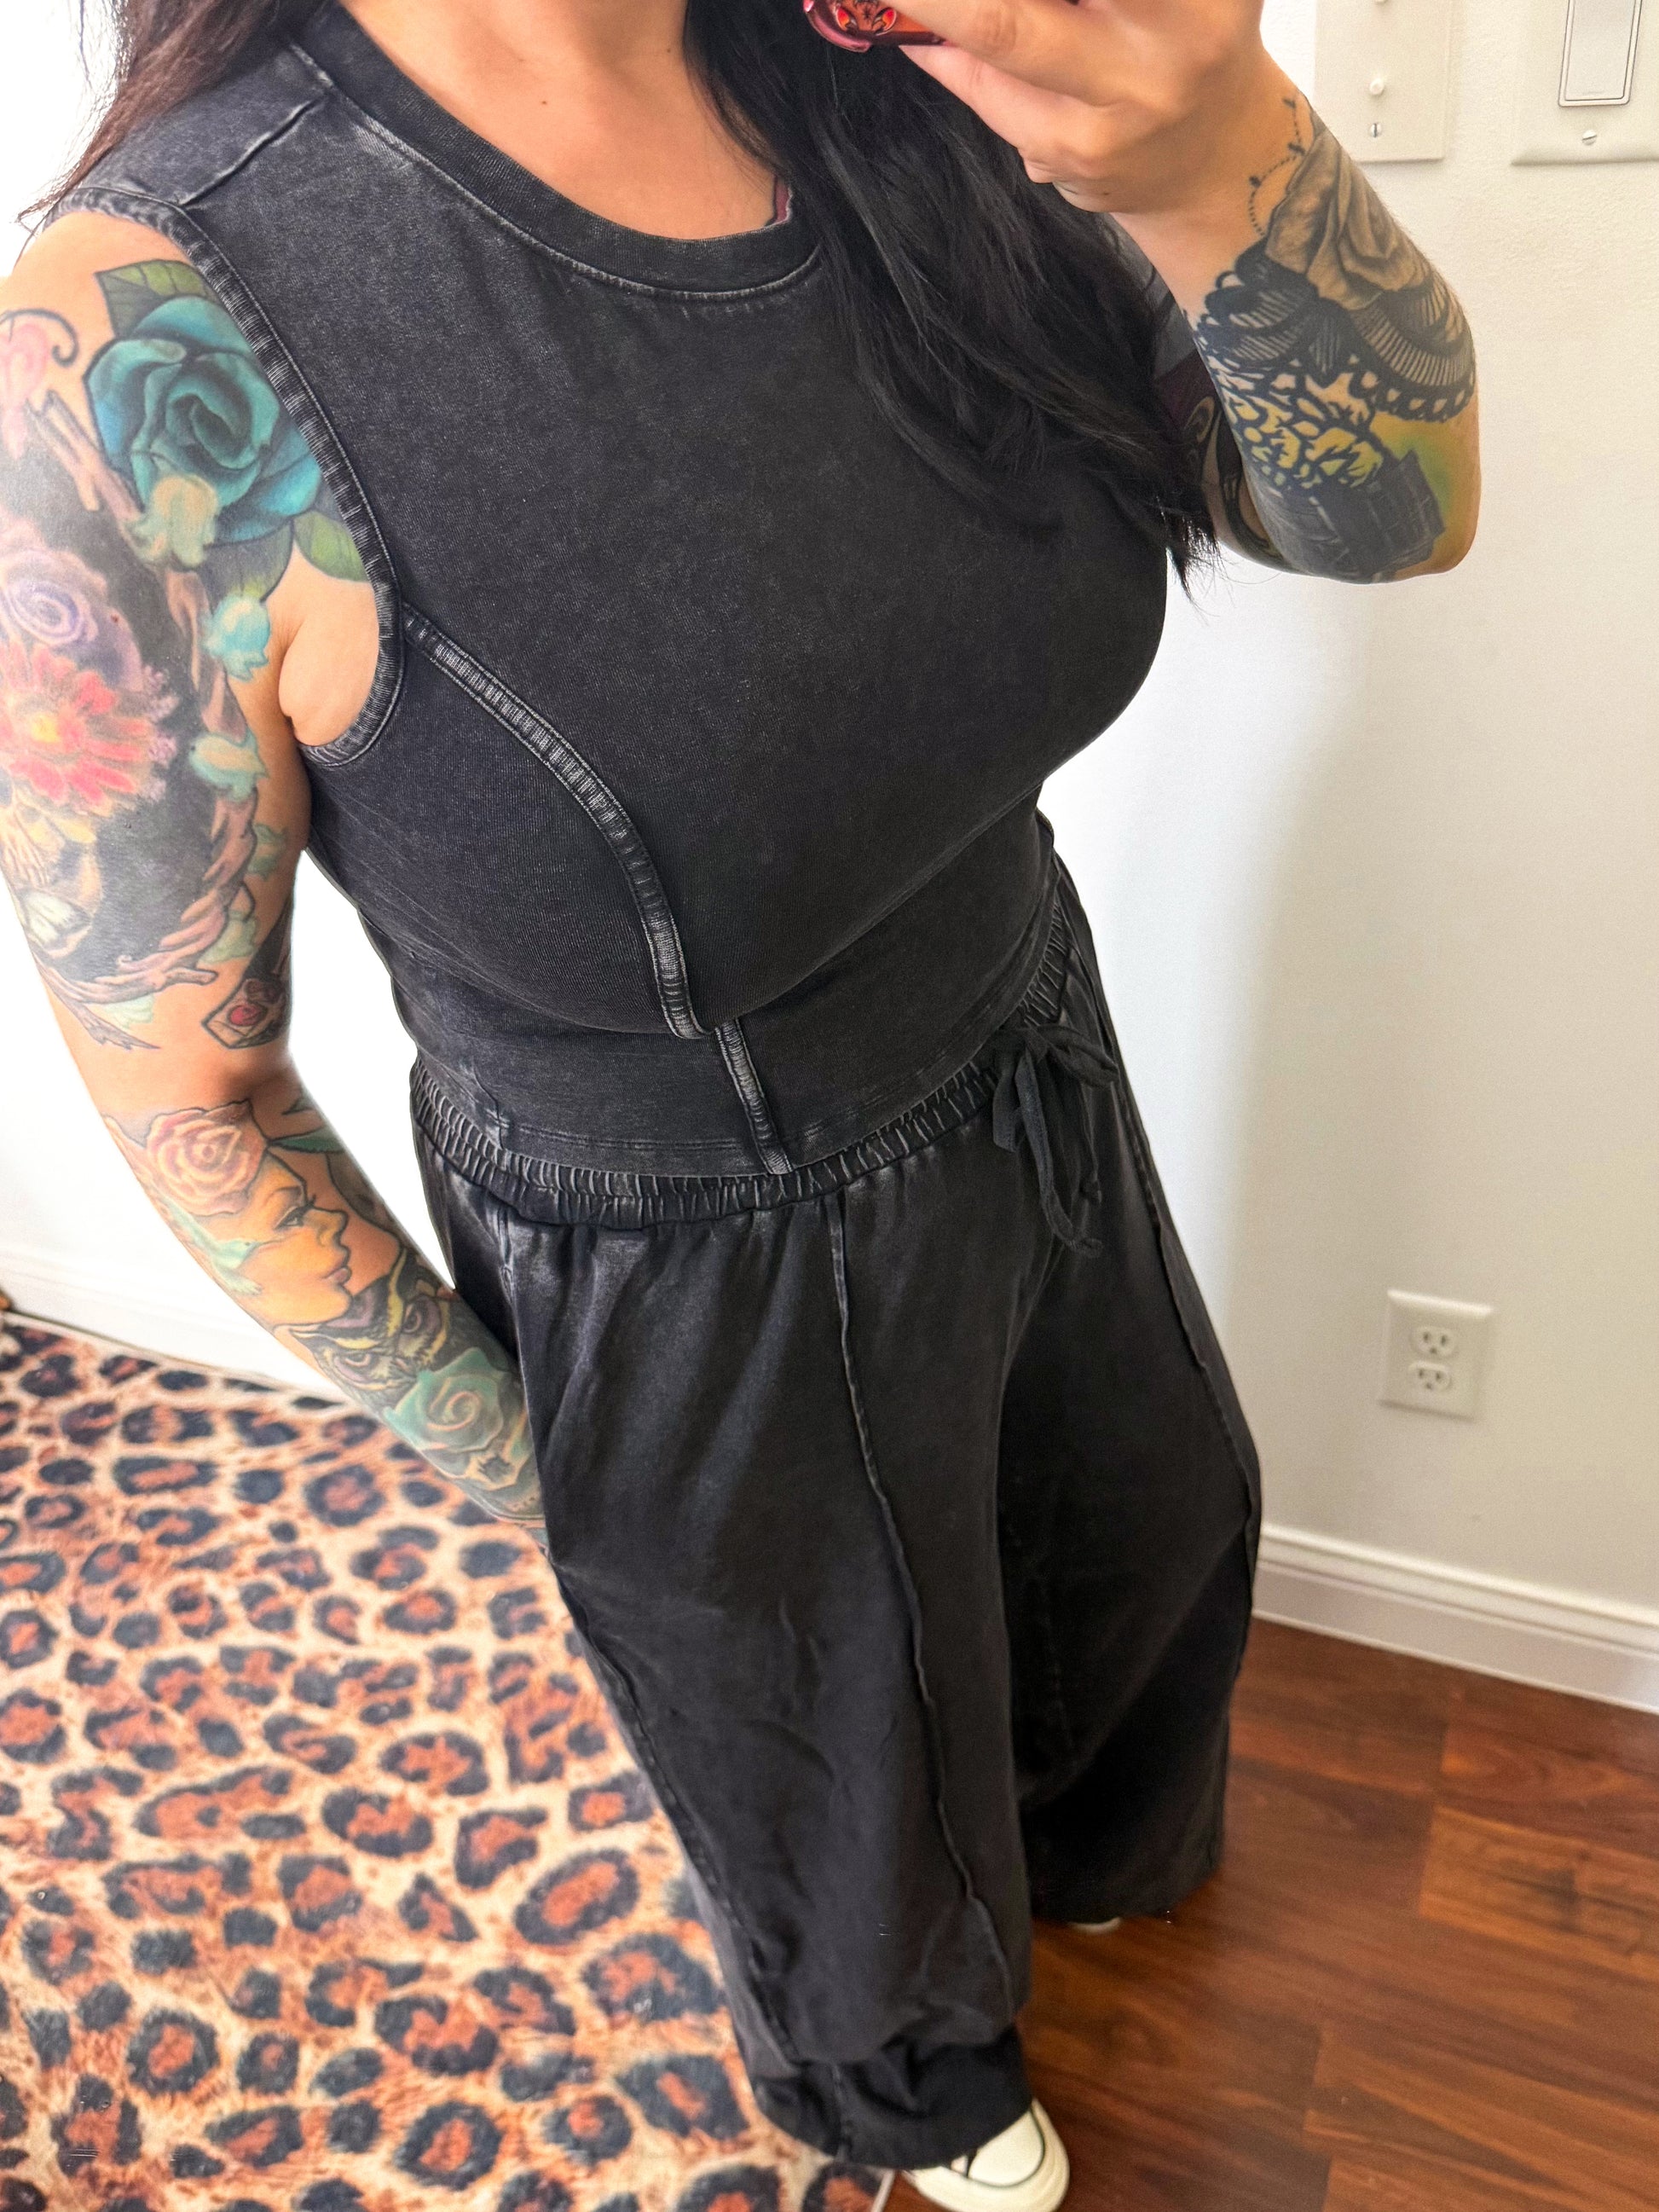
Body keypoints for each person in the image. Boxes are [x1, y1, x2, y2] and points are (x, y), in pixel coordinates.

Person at [0, 0, 1478, 2201]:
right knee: (833, 1795)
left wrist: (1216, 153)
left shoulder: (908, 64)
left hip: (1026, 1036)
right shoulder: (146, 344)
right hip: (688, 1247)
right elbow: (190, 1079)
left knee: (1145, 1548)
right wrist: (544, 1459)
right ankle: (916, 2088)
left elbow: (1387, 518)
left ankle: (1090, 1873)